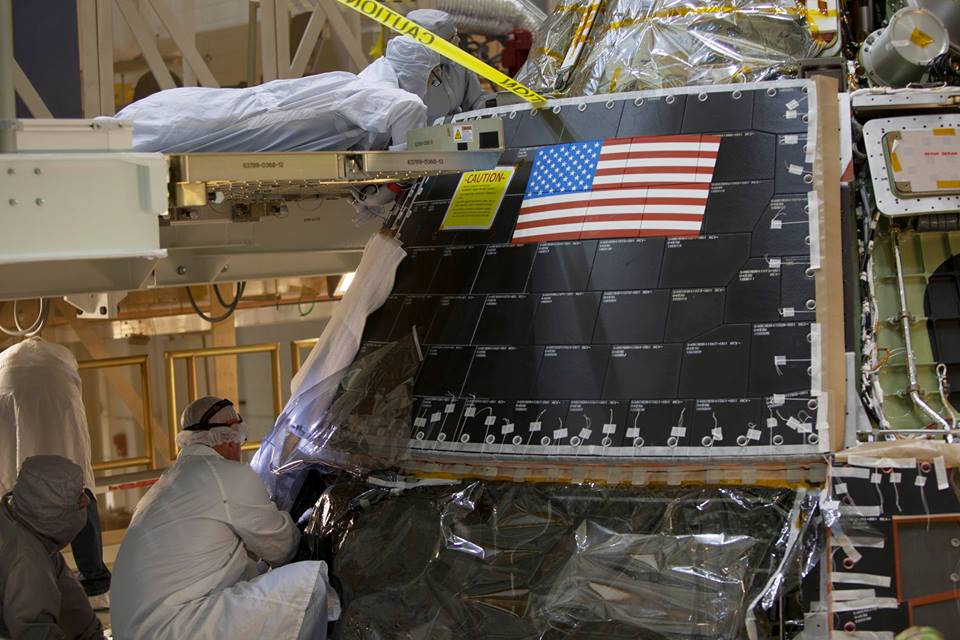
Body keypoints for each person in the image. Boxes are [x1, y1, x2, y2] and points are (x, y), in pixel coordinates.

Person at [110, 396, 336, 640]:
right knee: (311, 585)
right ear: (232, 434)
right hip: (175, 628)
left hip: (140, 628)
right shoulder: (227, 474)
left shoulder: (163, 485)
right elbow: (283, 549)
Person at [0, 338, 111, 607]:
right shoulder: (60, 358)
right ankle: (94, 583)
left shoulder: (9, 361)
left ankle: (10, 580)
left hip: (10, 391)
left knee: (10, 487)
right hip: (59, 400)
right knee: (79, 487)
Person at [0, 455, 105, 639]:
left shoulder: (23, 527)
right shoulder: (26, 560)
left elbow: (73, 606)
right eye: (79, 501)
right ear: (54, 512)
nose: (86, 504)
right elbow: (35, 633)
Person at [359, 9, 491, 125]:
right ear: (433, 47)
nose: (458, 41)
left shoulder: (458, 66)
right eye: (452, 38)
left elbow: (477, 101)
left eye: (457, 35)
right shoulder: (397, 73)